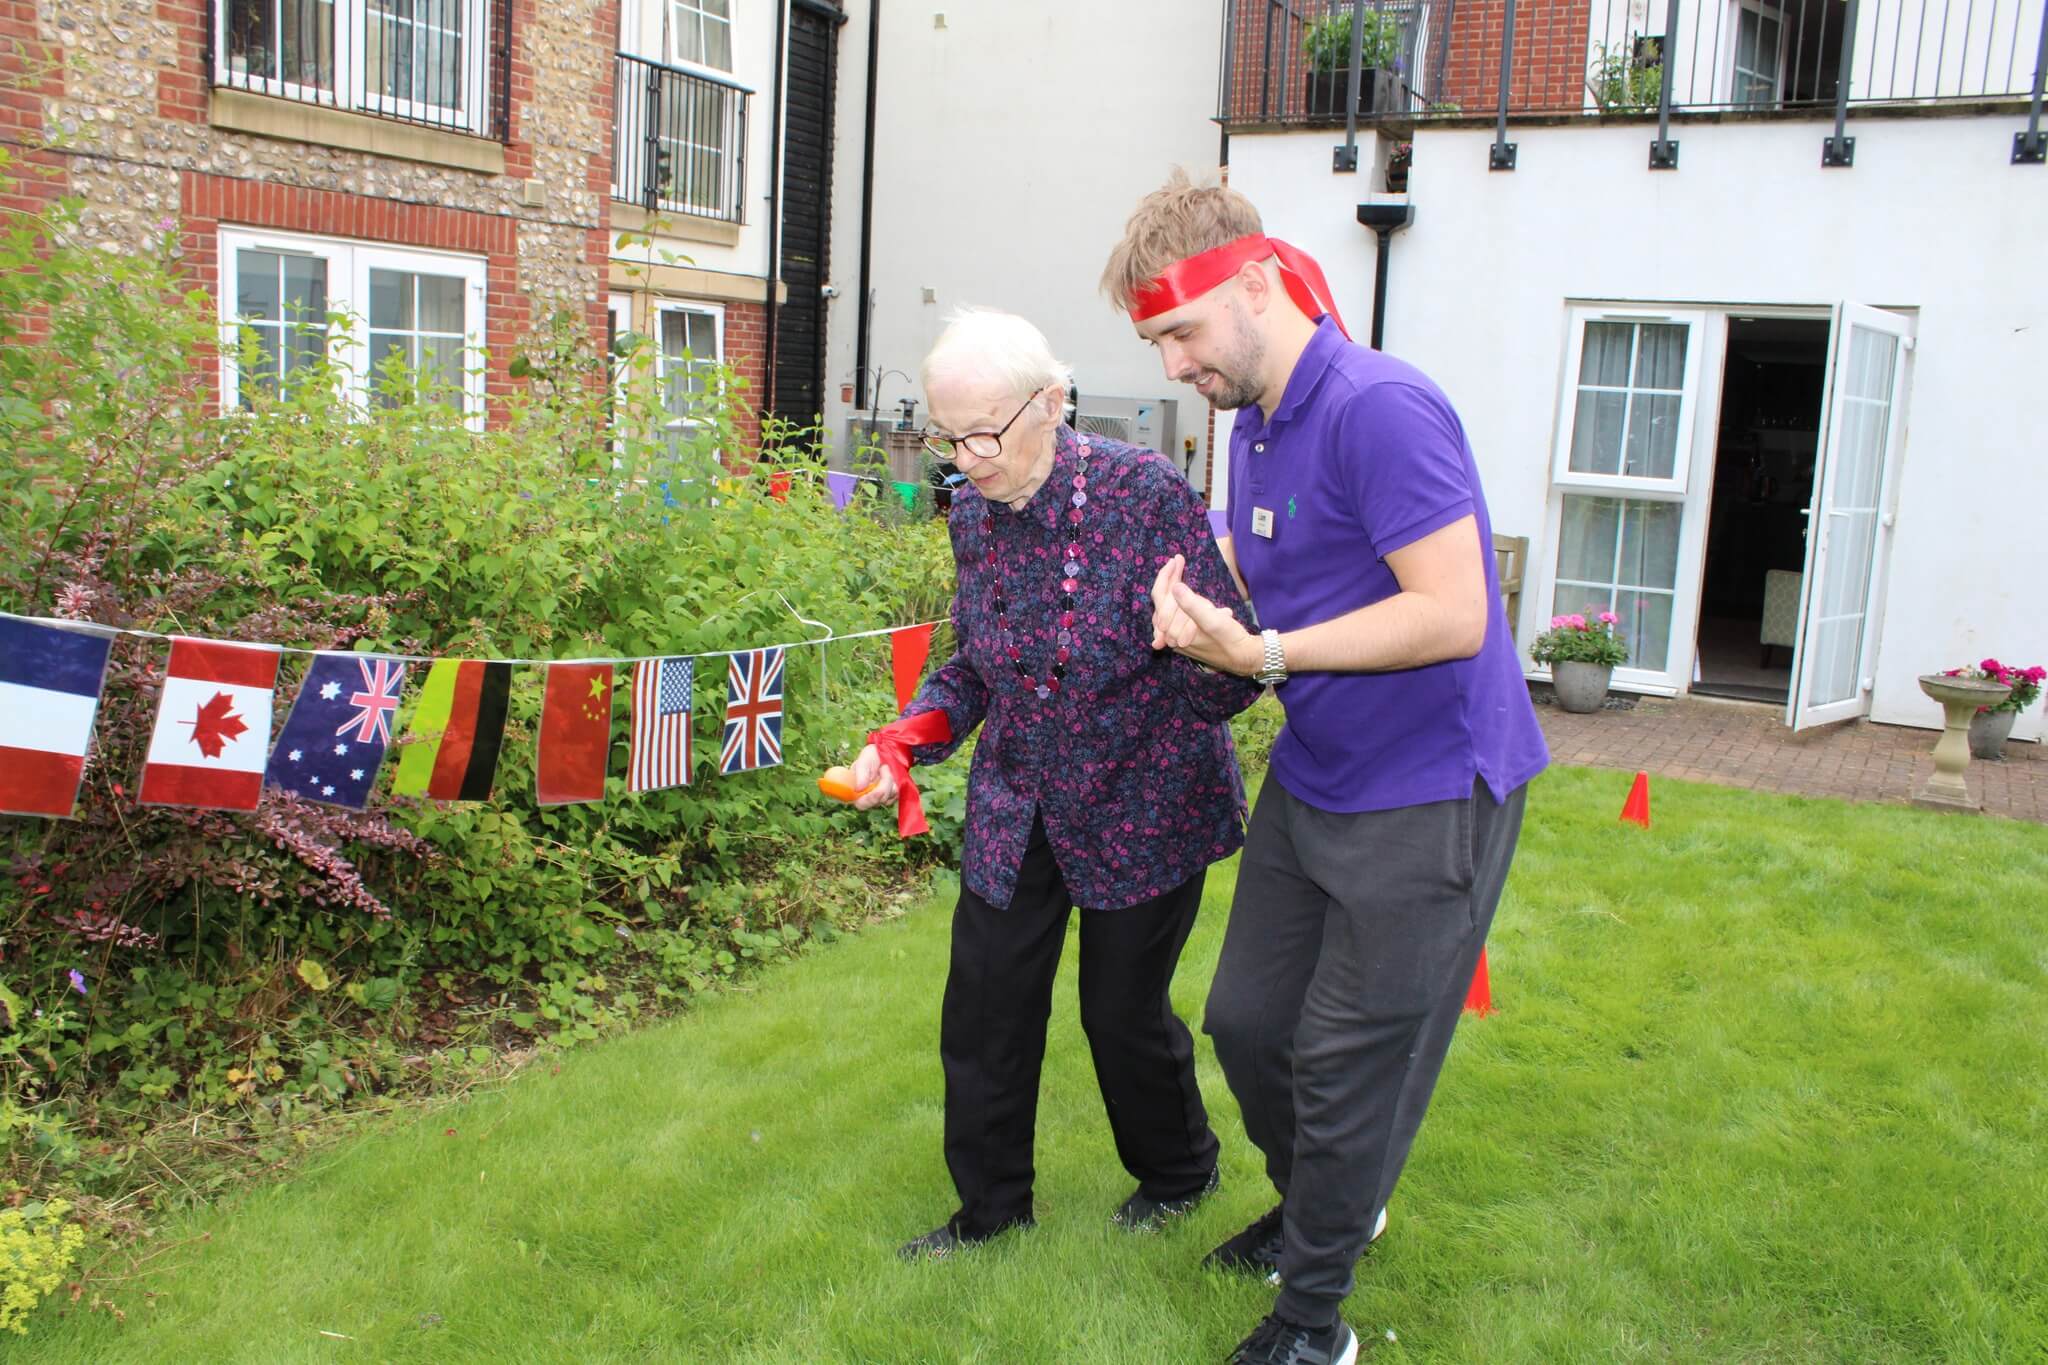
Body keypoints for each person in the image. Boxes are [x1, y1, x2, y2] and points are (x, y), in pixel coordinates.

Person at [1101, 172, 1550, 1365]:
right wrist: (1207, 618)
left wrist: (1266, 651)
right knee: (1247, 1025)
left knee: (1346, 1055)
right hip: (1321, 761)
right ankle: (1330, 1212)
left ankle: (1313, 1323)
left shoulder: (1379, 407)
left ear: (1253, 284)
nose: (1172, 368)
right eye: (1154, 344)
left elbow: (1454, 613)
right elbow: (1293, 587)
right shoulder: (1251, 425)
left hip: (1431, 780)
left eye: (1180, 334)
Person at [846, 307, 1263, 1259]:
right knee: (985, 1004)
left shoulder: (1145, 494)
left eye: (985, 429)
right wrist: (905, 739)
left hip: (1142, 794)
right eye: (949, 435)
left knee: (1119, 1011)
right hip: (1020, 794)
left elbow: (1235, 663)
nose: (968, 455)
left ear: (1053, 401)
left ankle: (1179, 1168)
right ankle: (989, 1214)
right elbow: (973, 665)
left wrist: (1197, 651)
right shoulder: (975, 512)